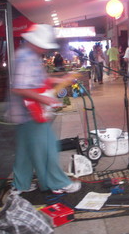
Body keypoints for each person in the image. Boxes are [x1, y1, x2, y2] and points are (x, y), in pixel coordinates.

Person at [9, 24, 81, 194]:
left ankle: (20, 184)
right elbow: (19, 88)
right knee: (47, 148)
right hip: (31, 113)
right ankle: (57, 183)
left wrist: (59, 80)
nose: (45, 49)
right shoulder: (27, 58)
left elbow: (38, 81)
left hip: (23, 114)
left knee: (25, 151)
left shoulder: (28, 55)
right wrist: (45, 99)